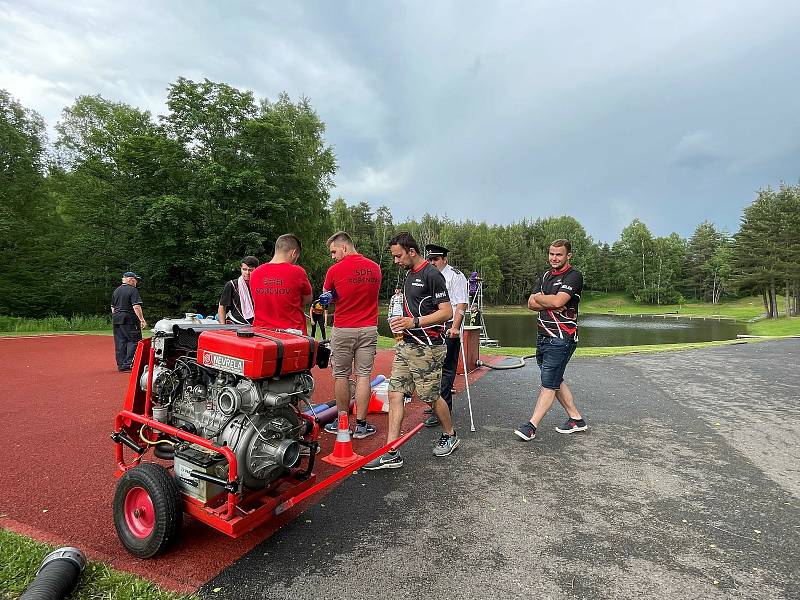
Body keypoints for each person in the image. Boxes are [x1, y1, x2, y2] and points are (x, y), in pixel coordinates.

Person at [363, 232, 457, 471]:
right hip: (406, 345)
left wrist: (413, 322)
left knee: (429, 397)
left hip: (428, 347)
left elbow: (447, 312)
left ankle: (450, 434)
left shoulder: (431, 274)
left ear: (411, 252)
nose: (395, 261)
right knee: (395, 394)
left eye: (398, 256)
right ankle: (391, 452)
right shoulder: (408, 274)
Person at [514, 239, 587, 442]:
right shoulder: (546, 275)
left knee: (549, 382)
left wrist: (543, 299)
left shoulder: (574, 276)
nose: (554, 258)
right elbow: (531, 302)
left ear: (568, 256)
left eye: (559, 255)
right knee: (554, 378)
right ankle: (576, 419)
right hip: (543, 335)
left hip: (562, 337)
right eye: (551, 254)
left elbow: (558, 301)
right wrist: (547, 301)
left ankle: (531, 426)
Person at [320, 231, 382, 439]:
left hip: (344, 328)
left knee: (341, 376)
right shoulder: (375, 268)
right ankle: (362, 425)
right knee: (363, 376)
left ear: (344, 248)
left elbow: (325, 298)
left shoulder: (334, 271)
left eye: (334, 251)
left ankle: (342, 421)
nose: (333, 256)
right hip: (368, 328)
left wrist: (333, 296)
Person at [422, 244, 469, 428]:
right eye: (430, 259)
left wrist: (455, 327)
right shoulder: (428, 275)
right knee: (431, 366)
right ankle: (436, 402)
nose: (432, 262)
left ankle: (443, 409)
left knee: (446, 369)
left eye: (436, 259)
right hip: (432, 324)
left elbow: (461, 304)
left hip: (449, 325)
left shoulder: (455, 276)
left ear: (444, 259)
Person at [250, 234, 312, 334]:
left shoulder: (255, 273)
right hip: (292, 335)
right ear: (294, 253)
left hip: (262, 334)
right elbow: (307, 299)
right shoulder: (297, 272)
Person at [111, 271, 147, 372]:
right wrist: (142, 319)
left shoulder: (116, 291)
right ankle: (129, 364)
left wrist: (117, 316)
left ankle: (121, 365)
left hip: (117, 318)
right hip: (129, 318)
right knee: (134, 340)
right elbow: (136, 306)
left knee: (120, 342)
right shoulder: (133, 290)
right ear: (131, 280)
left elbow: (112, 307)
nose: (136, 283)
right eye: (136, 280)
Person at [217, 256, 260, 324]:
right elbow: (222, 306)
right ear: (241, 269)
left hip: (256, 324)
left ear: (257, 269)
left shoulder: (260, 286)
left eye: (251, 270)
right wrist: (223, 327)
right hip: (236, 324)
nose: (247, 273)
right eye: (244, 269)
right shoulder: (231, 285)